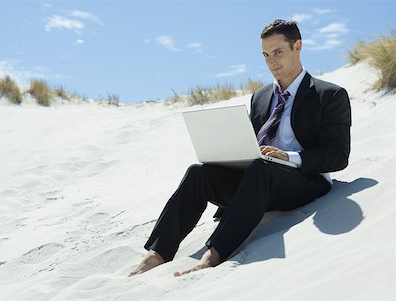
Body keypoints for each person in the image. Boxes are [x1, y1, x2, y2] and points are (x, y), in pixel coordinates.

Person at [129, 19, 351, 277]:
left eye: (278, 52)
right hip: (257, 183)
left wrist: (288, 157)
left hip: (304, 181)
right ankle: (158, 253)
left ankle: (213, 255)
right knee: (198, 172)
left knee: (261, 168)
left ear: (298, 46)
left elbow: (338, 156)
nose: (271, 62)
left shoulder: (329, 94)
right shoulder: (261, 96)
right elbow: (252, 143)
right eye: (266, 55)